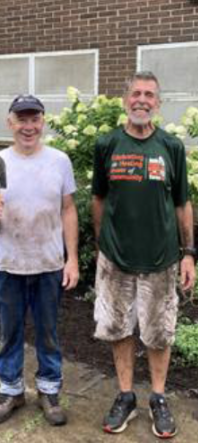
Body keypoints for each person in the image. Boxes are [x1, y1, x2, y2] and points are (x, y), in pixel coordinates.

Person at [91, 71, 195, 439]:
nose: (142, 100)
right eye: (136, 93)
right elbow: (99, 198)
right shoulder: (107, 144)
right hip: (116, 259)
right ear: (125, 100)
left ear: (158, 104)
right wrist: (103, 244)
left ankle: (158, 398)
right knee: (118, 328)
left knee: (159, 332)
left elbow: (182, 202)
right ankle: (125, 395)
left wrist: (189, 254)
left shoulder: (171, 147)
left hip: (161, 259)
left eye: (149, 95)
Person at [0, 94, 79, 426]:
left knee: (48, 332)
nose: (28, 127)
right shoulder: (0, 161)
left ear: (43, 122)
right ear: (10, 123)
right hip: (8, 263)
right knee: (8, 332)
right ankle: (11, 390)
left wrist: (71, 258)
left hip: (49, 263)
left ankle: (49, 390)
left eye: (34, 119)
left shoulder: (59, 161)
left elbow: (69, 209)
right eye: (22, 120)